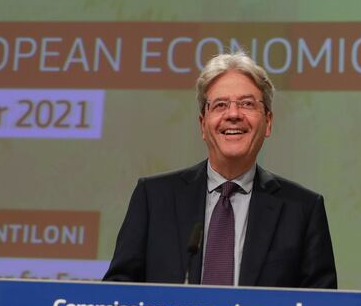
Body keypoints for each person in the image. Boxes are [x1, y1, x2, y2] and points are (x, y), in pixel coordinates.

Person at [102, 51, 337, 288]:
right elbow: (117, 293)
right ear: (203, 124)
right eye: (220, 105)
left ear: (268, 122)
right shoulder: (153, 198)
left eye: (247, 104)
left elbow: (322, 305)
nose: (233, 114)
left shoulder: (303, 210)